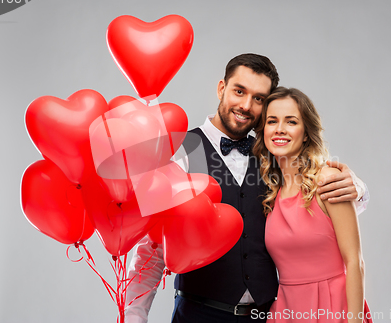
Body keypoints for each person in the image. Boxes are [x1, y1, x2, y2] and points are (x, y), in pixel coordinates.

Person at [124, 54, 369, 323]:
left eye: (259, 98)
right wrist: (134, 315)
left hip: (266, 316)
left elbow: (316, 191)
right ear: (221, 89)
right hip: (198, 314)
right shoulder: (181, 152)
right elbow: (152, 249)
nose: (245, 105)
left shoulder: (273, 154)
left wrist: (356, 186)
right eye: (239, 91)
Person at [252, 87, 372, 323]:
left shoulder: (327, 180)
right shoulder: (270, 192)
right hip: (287, 311)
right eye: (272, 121)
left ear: (306, 132)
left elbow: (354, 261)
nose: (280, 129)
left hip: (332, 308)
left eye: (291, 122)